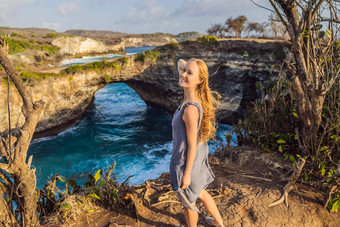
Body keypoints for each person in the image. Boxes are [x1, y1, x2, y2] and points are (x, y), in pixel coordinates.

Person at [169, 58, 225, 227]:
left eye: (189, 73)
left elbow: (191, 145)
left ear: (200, 80)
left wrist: (186, 174)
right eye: (183, 70)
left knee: (188, 202)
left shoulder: (191, 109)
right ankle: (219, 223)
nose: (183, 74)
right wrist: (190, 67)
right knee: (200, 191)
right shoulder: (191, 100)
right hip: (198, 157)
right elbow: (181, 63)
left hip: (188, 161)